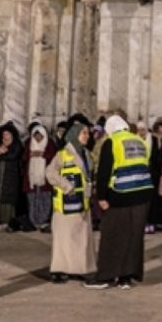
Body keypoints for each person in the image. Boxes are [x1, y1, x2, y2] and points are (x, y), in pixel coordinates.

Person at [85, 115, 153, 290]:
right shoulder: (139, 140)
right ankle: (126, 277)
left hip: (120, 195)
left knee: (113, 237)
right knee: (134, 237)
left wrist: (101, 197)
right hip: (142, 195)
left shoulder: (112, 142)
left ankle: (106, 277)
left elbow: (104, 171)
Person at [45, 121, 96, 283]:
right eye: (84, 133)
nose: (87, 136)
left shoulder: (87, 154)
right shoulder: (63, 154)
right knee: (64, 238)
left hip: (83, 201)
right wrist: (66, 186)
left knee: (81, 238)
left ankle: (80, 268)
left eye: (88, 133)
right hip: (65, 202)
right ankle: (60, 269)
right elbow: (50, 172)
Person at [0, 123, 22, 228]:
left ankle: (8, 219)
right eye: (4, 135)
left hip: (10, 176)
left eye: (7, 134)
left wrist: (0, 156)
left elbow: (12, 156)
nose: (5, 137)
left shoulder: (17, 145)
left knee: (8, 198)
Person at [23, 124, 55, 232]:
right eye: (36, 136)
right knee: (32, 200)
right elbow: (24, 156)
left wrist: (42, 154)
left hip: (45, 178)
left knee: (44, 199)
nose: (37, 139)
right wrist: (32, 154)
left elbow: (53, 156)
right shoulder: (29, 143)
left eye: (40, 136)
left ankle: (43, 220)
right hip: (31, 178)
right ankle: (33, 221)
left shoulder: (49, 144)